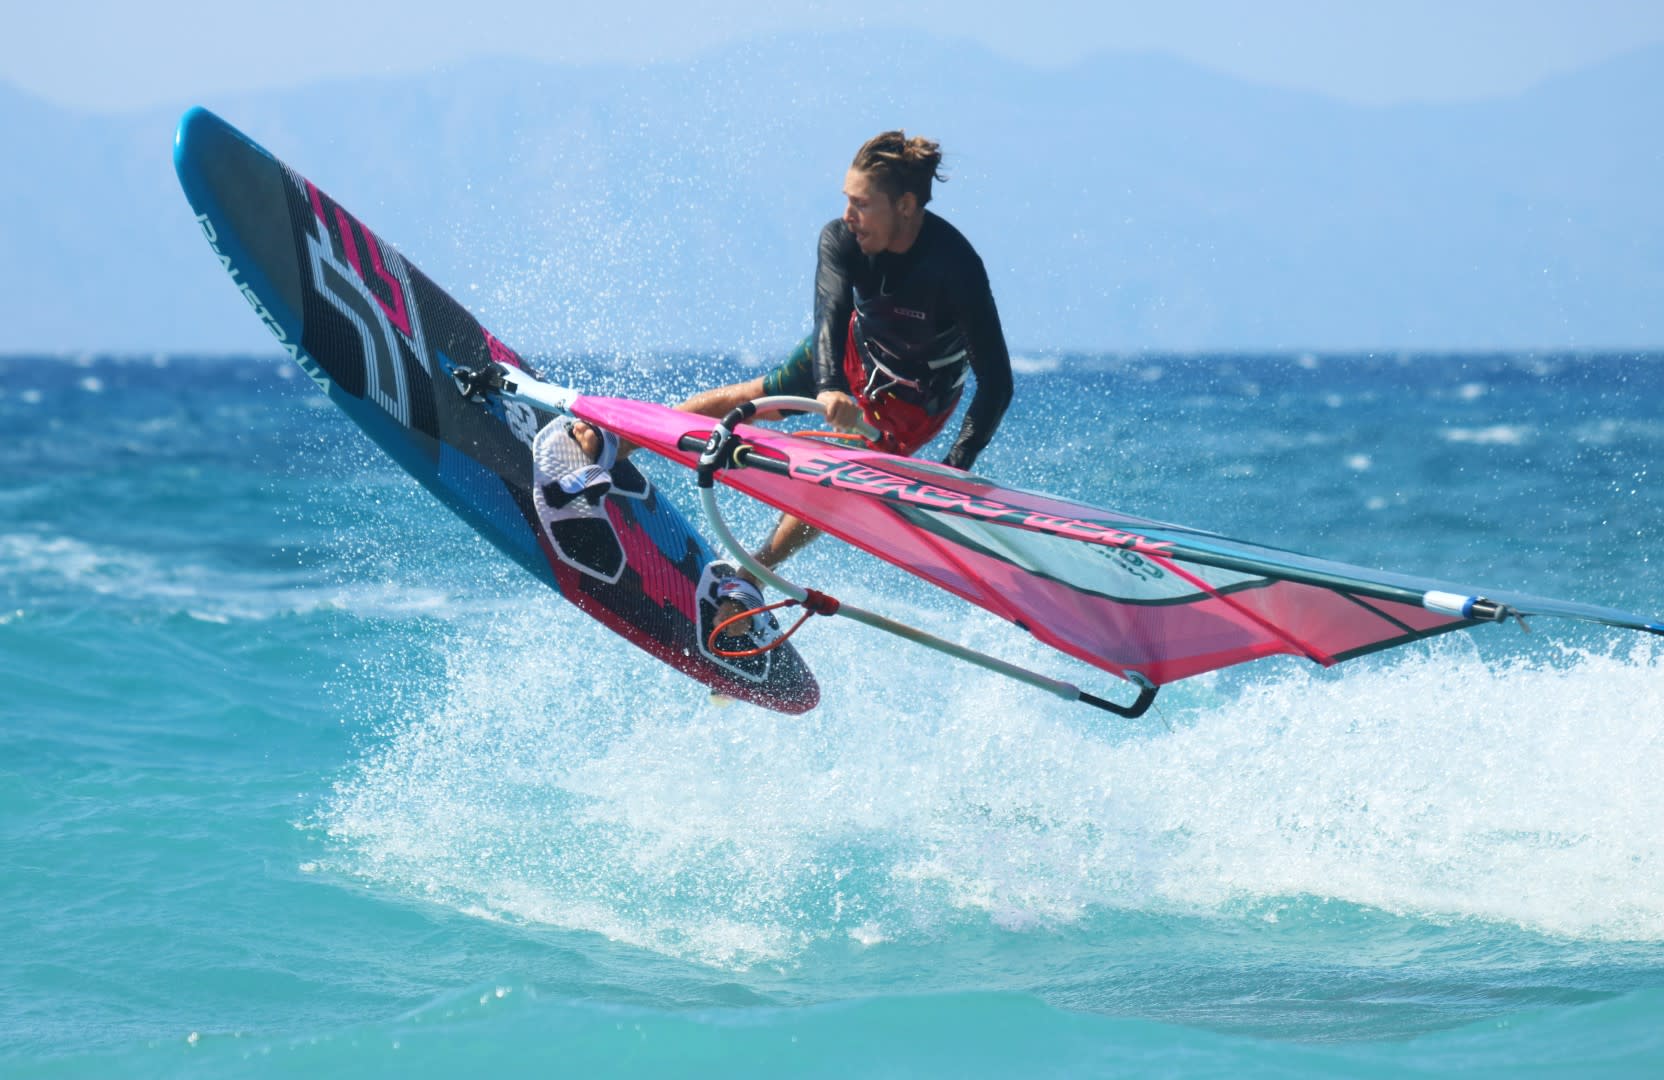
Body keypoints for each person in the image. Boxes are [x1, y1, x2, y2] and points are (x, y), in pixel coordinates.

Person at [576, 130, 1015, 630]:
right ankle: (619, 444)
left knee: (835, 481)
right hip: (850, 348)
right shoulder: (842, 239)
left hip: (914, 398)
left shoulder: (956, 268)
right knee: (750, 398)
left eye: (862, 204)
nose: (849, 214)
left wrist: (953, 470)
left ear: (907, 205)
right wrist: (830, 385)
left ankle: (750, 578)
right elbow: (830, 314)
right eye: (847, 200)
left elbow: (996, 384)